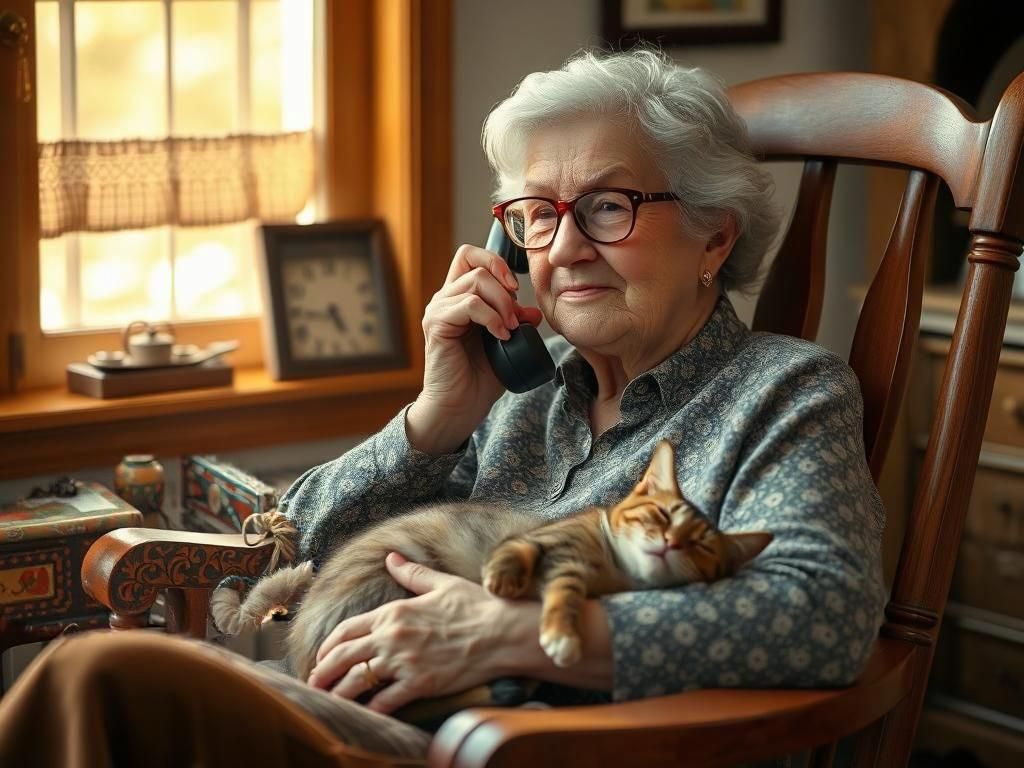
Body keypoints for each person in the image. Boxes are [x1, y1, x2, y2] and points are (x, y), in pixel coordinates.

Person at [0, 48, 885, 765]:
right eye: (537, 213)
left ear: (714, 235)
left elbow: (824, 614)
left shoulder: (784, 395)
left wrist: (512, 634)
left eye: (608, 207)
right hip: (394, 728)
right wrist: (433, 418)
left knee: (105, 678)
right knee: (92, 675)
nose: (565, 247)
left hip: (554, 749)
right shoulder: (520, 395)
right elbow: (272, 559)